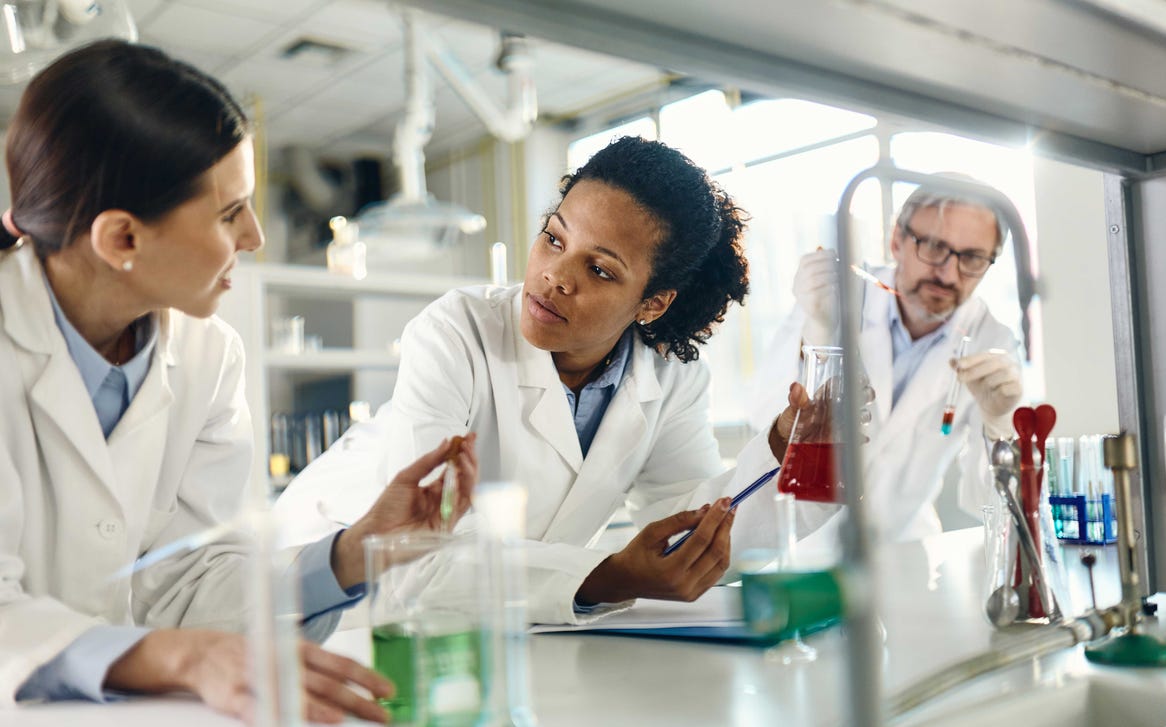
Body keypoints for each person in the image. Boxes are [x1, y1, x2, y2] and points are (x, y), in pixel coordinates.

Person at [0, 40, 479, 723]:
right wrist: (183, 659)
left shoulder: (208, 353)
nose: (255, 237)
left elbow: (187, 580)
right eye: (230, 214)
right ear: (122, 239)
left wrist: (355, 550)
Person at [275, 136, 838, 624]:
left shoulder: (672, 378)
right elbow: (419, 552)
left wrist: (777, 453)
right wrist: (605, 576)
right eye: (553, 237)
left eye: (599, 269)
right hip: (328, 584)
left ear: (652, 303)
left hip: (499, 611)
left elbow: (686, 527)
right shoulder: (457, 330)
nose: (553, 276)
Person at [750, 177, 1023, 548]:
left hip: (905, 547)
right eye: (933, 246)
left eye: (972, 258)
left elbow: (987, 503)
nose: (947, 273)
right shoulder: (835, 296)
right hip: (807, 543)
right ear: (897, 240)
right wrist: (817, 328)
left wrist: (999, 424)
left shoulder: (993, 341)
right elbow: (764, 419)